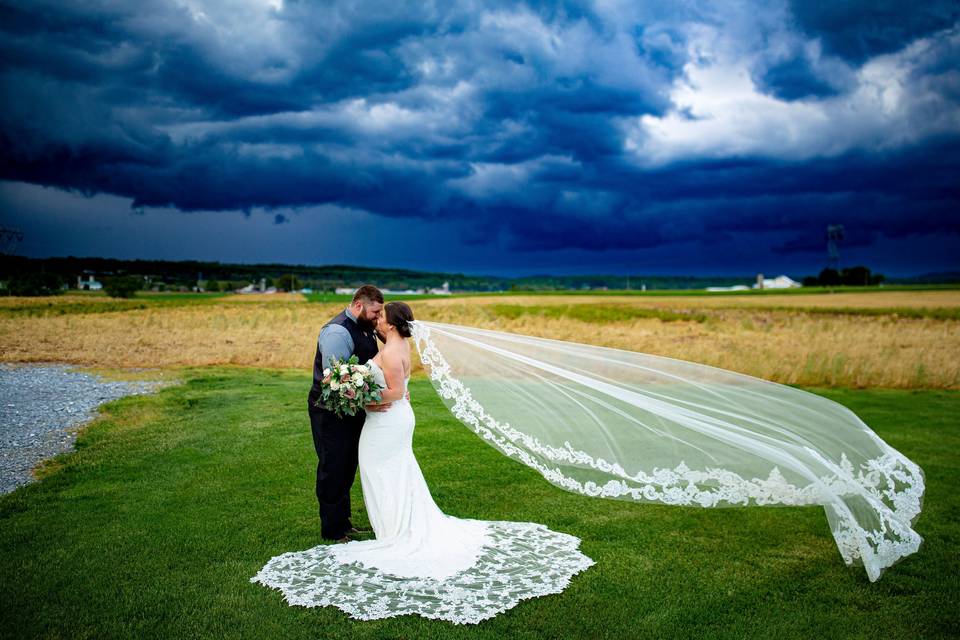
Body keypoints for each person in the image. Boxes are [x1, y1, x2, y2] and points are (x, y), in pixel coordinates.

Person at [254, 302, 595, 624]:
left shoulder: (390, 350)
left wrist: (363, 397)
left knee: (384, 472)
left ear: (391, 322)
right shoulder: (396, 345)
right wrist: (365, 387)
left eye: (382, 316)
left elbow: (396, 391)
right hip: (394, 420)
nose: (378, 320)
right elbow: (398, 386)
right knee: (395, 472)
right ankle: (394, 526)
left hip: (387, 421)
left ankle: (396, 532)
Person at [306, 284, 384, 543]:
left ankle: (344, 522)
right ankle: (332, 529)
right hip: (329, 411)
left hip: (353, 408)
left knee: (348, 465)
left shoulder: (366, 327)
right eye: (375, 312)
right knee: (333, 465)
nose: (378, 317)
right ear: (359, 305)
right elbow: (336, 379)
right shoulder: (338, 332)